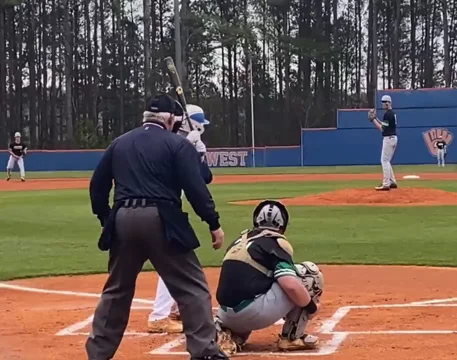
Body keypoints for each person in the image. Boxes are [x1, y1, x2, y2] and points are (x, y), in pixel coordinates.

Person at [86, 94, 228, 360]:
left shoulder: (119, 143)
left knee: (117, 290)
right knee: (191, 288)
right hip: (162, 218)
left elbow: (97, 187)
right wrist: (213, 222)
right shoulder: (176, 144)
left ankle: (98, 354)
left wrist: (108, 219)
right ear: (171, 119)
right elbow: (196, 188)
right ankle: (204, 351)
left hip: (123, 218)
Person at [213, 200, 324, 355]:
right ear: (282, 224)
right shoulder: (275, 242)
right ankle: (292, 337)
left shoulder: (239, 240)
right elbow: (290, 284)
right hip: (251, 314)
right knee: (308, 274)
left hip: (225, 314)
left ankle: (231, 333)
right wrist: (311, 307)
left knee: (264, 278)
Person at [147, 104, 213, 334]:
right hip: (157, 209)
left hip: (169, 210)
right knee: (173, 259)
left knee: (173, 259)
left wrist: (199, 153)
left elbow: (205, 178)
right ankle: (159, 315)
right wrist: (188, 146)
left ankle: (171, 308)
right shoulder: (165, 143)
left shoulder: (185, 144)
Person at [368, 95, 398, 191]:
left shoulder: (387, 114)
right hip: (393, 138)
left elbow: (382, 128)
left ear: (390, 103)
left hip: (388, 138)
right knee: (387, 161)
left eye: (386, 102)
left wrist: (373, 120)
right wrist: (376, 119)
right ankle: (392, 181)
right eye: (383, 102)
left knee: (384, 161)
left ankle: (386, 184)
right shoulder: (391, 113)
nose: (384, 103)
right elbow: (384, 124)